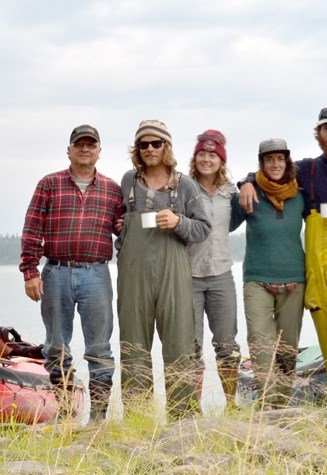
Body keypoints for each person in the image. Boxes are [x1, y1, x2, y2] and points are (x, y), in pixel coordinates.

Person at [239, 106, 327, 397]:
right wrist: (247, 181)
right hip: (315, 261)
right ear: (319, 134)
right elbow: (272, 170)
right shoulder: (307, 169)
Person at [19, 124, 124, 422]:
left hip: (97, 274)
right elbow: (32, 229)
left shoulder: (112, 189)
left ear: (99, 152)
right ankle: (66, 414)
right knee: (55, 346)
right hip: (56, 273)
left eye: (91, 145)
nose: (85, 149)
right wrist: (30, 270)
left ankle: (98, 418)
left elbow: (123, 230)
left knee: (100, 347)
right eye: (80, 144)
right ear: (69, 150)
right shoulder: (48, 184)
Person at [116, 119, 212, 419]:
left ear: (166, 147)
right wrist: (121, 228)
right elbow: (122, 224)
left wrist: (178, 222)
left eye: (156, 143)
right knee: (133, 343)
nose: (149, 149)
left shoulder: (185, 185)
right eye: (143, 144)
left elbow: (204, 228)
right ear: (137, 149)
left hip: (174, 271)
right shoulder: (128, 181)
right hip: (133, 273)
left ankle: (182, 418)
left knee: (179, 344)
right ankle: (137, 417)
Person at [231, 138, 305, 408]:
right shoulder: (250, 192)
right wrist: (244, 183)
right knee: (261, 348)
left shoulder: (301, 194)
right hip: (257, 281)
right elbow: (225, 225)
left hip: (295, 281)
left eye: (280, 159)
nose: (275, 164)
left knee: (287, 351)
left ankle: (281, 407)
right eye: (269, 159)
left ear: (288, 162)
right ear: (261, 163)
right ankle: (266, 408)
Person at [187, 129, 241, 408]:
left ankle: (231, 405)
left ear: (221, 160)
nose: (207, 159)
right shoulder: (183, 188)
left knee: (227, 345)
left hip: (221, 275)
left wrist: (251, 182)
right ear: (195, 157)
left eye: (212, 155)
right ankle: (194, 408)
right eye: (202, 154)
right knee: (191, 347)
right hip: (189, 276)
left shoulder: (232, 192)